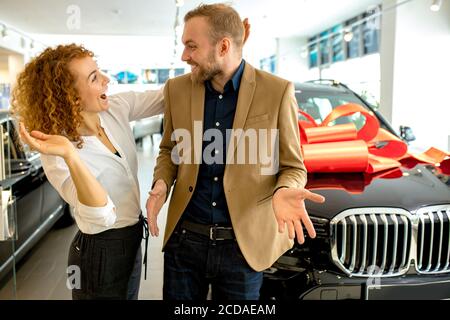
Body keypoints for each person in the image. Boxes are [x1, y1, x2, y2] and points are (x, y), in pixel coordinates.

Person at [146, 3, 325, 300]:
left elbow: (293, 166)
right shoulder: (176, 89)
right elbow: (168, 150)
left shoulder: (277, 91)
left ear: (223, 46)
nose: (184, 56)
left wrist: (283, 190)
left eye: (192, 46)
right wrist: (162, 184)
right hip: (185, 242)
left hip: (243, 247)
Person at [12, 44, 164, 299]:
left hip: (132, 238)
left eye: (99, 71)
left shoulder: (116, 108)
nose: (107, 80)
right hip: (99, 254)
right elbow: (101, 216)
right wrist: (71, 155)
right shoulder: (58, 151)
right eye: (94, 77)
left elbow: (166, 96)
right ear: (70, 96)